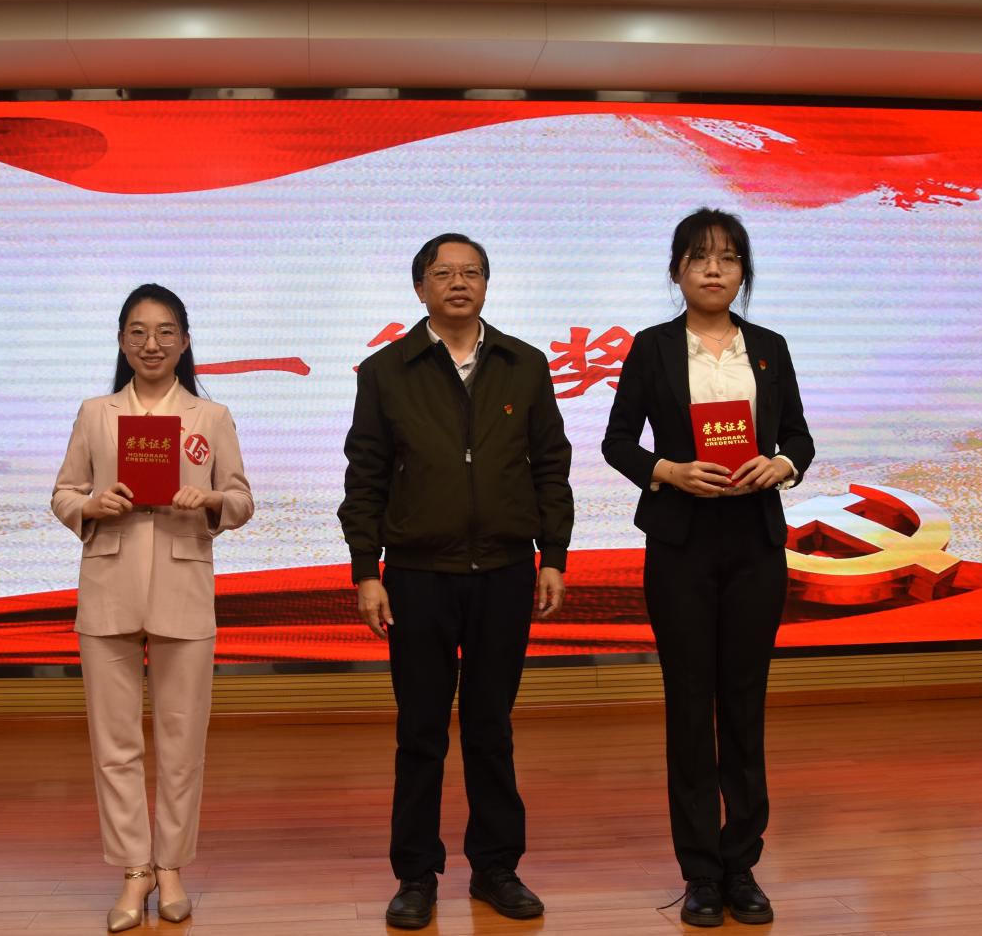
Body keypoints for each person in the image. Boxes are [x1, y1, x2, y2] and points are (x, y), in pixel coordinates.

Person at [339, 233, 574, 929]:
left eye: (471, 272)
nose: (459, 283)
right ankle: (415, 874)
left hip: (504, 571)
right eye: (443, 273)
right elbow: (365, 477)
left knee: (490, 727)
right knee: (420, 731)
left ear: (487, 285)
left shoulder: (524, 365)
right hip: (418, 576)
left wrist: (553, 555)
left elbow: (550, 465)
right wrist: (365, 570)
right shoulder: (386, 371)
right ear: (420, 288)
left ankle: (496, 867)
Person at [601, 209, 814, 928]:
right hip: (681, 544)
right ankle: (699, 871)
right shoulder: (653, 348)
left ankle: (741, 864)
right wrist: (668, 471)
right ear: (677, 272)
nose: (714, 269)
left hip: (754, 542)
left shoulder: (769, 348)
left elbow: (799, 436)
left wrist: (782, 464)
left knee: (744, 704)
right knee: (690, 706)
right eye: (698, 257)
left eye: (727, 257)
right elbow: (617, 442)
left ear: (743, 271)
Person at [52, 283, 254, 933]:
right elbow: (63, 492)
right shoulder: (95, 413)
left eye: (165, 332)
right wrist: (90, 505)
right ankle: (133, 869)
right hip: (108, 586)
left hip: (183, 586)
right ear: (120, 341)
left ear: (185, 341)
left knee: (181, 740)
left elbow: (242, 498)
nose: (151, 344)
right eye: (138, 332)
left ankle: (170, 866)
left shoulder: (210, 416)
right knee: (114, 743)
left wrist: (211, 501)